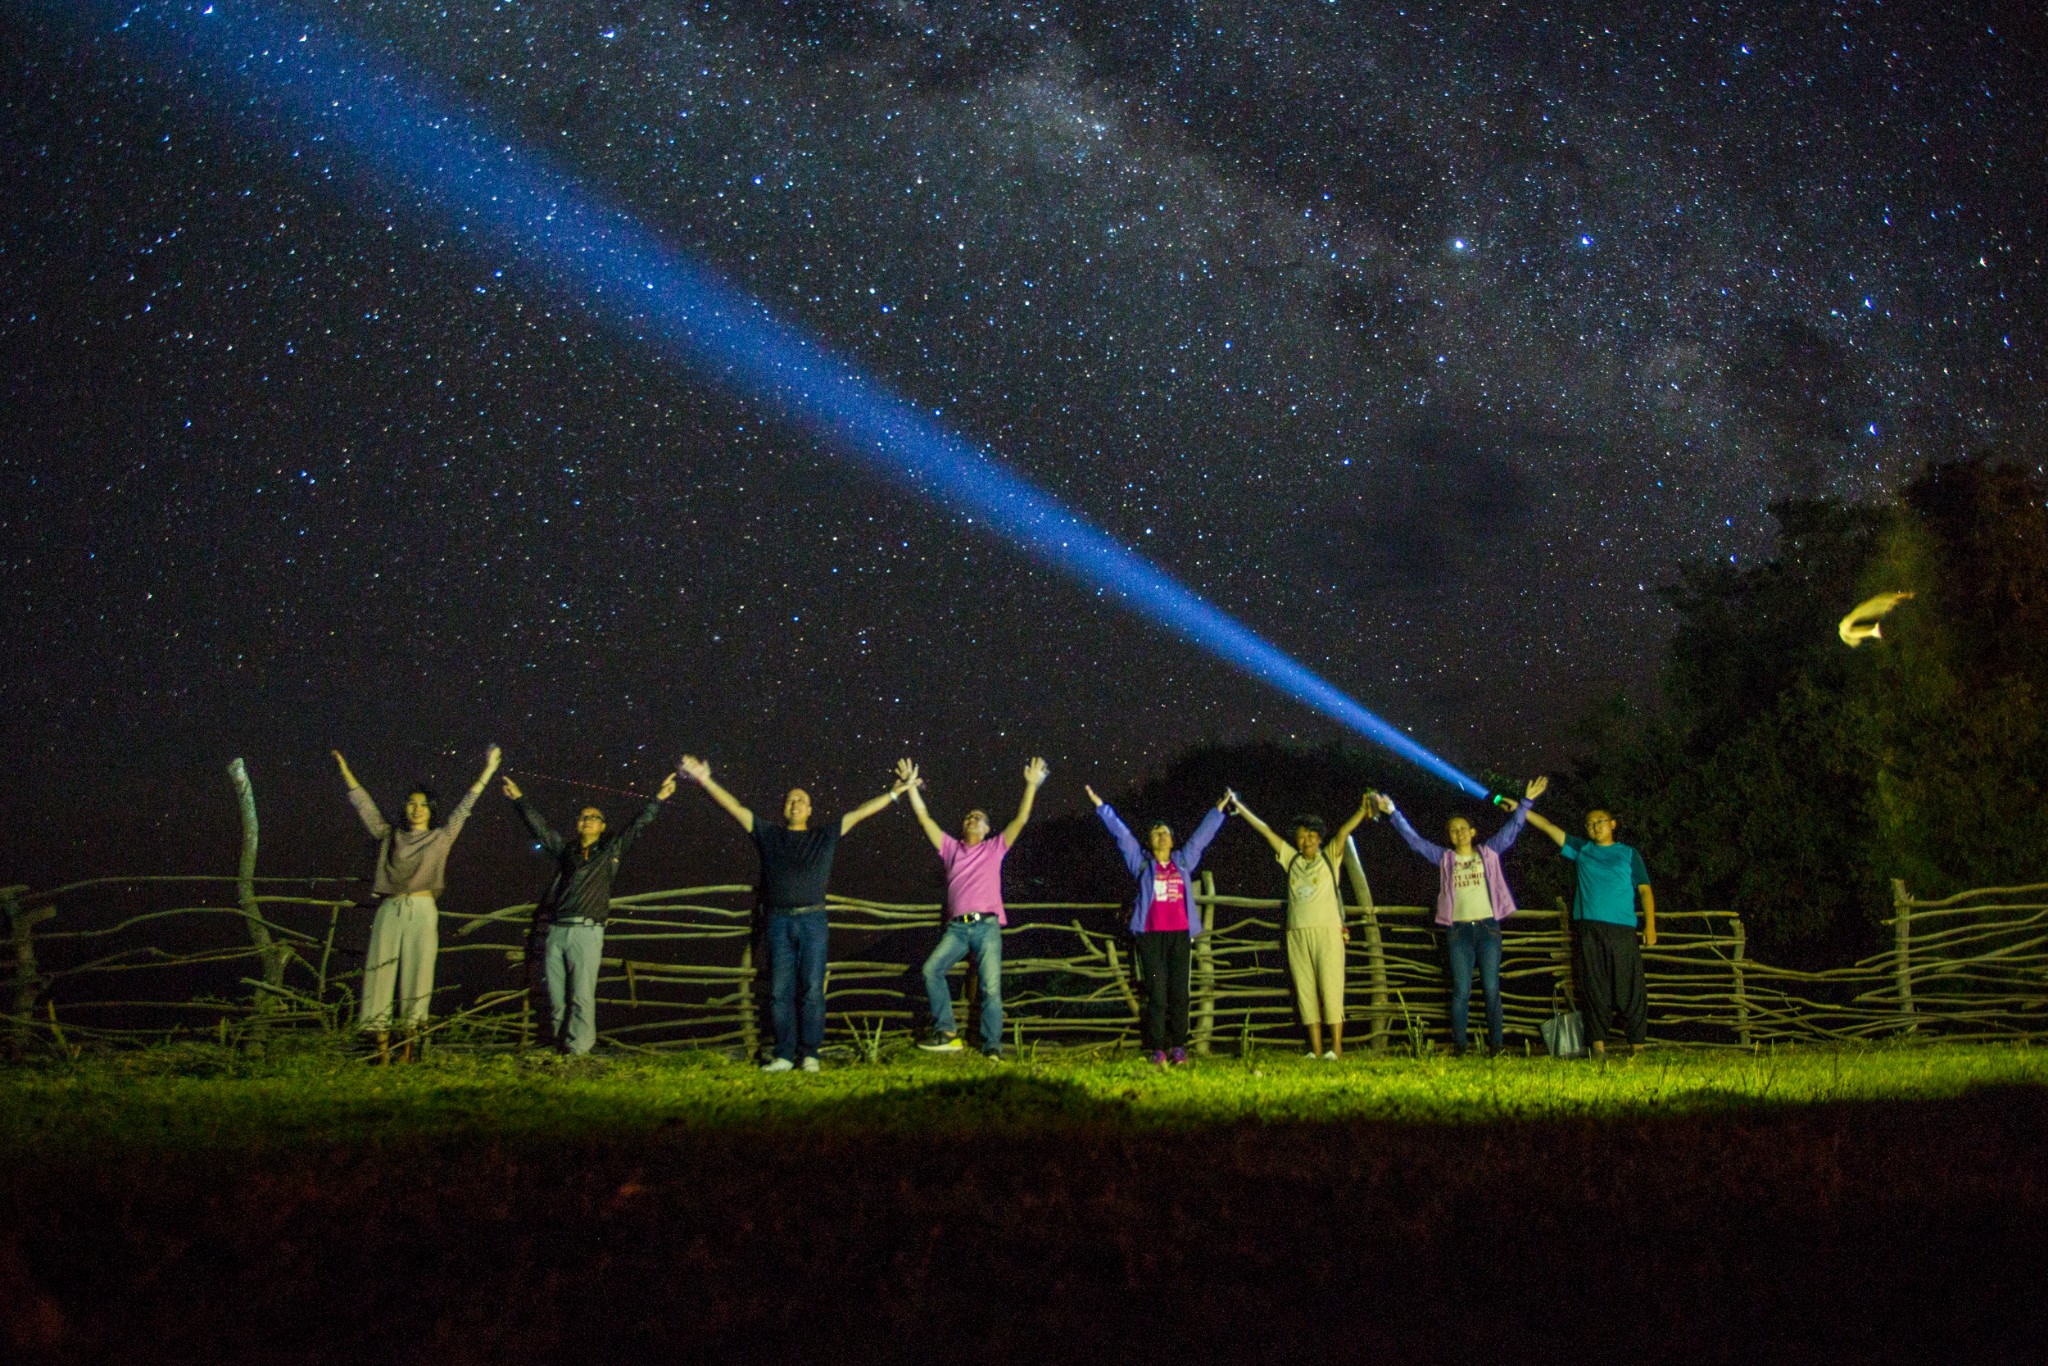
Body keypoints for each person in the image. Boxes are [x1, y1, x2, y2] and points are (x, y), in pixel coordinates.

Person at [680, 756, 911, 1073]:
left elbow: (860, 812)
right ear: (784, 808)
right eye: (790, 799)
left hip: (813, 921)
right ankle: (784, 1055)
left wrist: (895, 793)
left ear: (811, 809)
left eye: (802, 799)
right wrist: (705, 780)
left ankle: (810, 1054)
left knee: (813, 990)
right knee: (779, 992)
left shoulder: (824, 836)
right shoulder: (768, 833)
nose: (795, 803)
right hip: (777, 921)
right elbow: (734, 808)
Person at [334, 744, 501, 1063]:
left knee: (418, 976)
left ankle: (407, 1053)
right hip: (390, 909)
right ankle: (381, 1053)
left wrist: (489, 769)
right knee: (378, 975)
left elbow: (467, 805)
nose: (416, 808)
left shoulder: (441, 837)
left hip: (423, 910)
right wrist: (345, 771)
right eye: (411, 803)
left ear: (431, 809)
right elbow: (365, 807)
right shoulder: (390, 835)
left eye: (422, 804)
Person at [502, 767, 677, 1056]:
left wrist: (658, 799)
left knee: (581, 996)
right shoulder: (566, 851)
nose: (587, 820)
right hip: (558, 931)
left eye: (594, 817)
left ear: (603, 826)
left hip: (587, 930)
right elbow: (541, 829)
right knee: (557, 997)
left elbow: (637, 826)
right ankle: (562, 1047)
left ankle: (579, 1051)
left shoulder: (610, 852)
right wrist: (519, 799)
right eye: (583, 816)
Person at [1373, 778, 1547, 1056]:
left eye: (1463, 829)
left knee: (1491, 988)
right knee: (1461, 991)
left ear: (1473, 831)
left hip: (1488, 928)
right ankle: (1461, 1047)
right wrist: (1392, 812)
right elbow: (1415, 842)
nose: (1459, 833)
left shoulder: (1488, 853)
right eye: (1453, 831)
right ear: (1450, 837)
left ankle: (1496, 1046)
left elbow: (1512, 829)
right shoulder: (1444, 859)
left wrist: (1526, 802)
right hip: (1458, 931)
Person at [901, 755, 1049, 1058]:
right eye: (968, 817)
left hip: (986, 926)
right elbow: (924, 818)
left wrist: (1031, 785)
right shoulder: (950, 849)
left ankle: (992, 1046)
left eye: (978, 818)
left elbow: (1020, 819)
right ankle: (946, 1032)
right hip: (957, 928)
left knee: (991, 989)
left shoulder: (995, 848)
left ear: (987, 829)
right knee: (931, 970)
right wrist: (910, 787)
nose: (972, 820)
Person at [1085, 782, 1232, 1065]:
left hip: (1179, 935)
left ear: (1172, 840)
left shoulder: (1184, 861)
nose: (1161, 836)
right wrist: (1101, 806)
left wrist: (1218, 810)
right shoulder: (1141, 864)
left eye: (1165, 833)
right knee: (1157, 993)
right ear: (1150, 841)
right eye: (1156, 833)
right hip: (1150, 936)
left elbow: (1201, 838)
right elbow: (1122, 835)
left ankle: (1179, 1045)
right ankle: (1157, 1048)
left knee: (1179, 992)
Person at [1229, 794, 1374, 1060]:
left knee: (1331, 988)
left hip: (1328, 932)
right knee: (1305, 991)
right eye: (1301, 836)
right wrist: (1240, 808)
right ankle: (1316, 1050)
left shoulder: (1330, 857)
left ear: (1319, 838)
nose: (1306, 840)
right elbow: (1265, 831)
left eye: (1311, 835)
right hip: (1296, 934)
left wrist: (1361, 811)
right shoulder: (1291, 860)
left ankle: (1336, 1048)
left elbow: (1343, 831)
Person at [1521, 803, 1657, 1057]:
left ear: (1612, 824)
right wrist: (1522, 810)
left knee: (1629, 987)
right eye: (1590, 824)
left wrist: (1650, 925)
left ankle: (1637, 1045)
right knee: (1594, 987)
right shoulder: (1582, 849)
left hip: (1622, 929)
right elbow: (1549, 827)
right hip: (1590, 928)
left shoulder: (1628, 854)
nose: (1595, 827)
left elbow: (1645, 890)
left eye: (1600, 821)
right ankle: (1597, 1046)